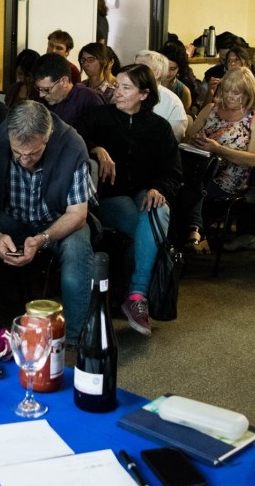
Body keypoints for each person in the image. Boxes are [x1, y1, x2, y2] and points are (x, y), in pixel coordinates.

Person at [0, 101, 94, 339]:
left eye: (33, 153)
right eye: (17, 152)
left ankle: (74, 337)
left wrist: (43, 238)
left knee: (78, 247)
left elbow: (77, 214)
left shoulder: (72, 146)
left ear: (47, 137)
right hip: (14, 219)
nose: (24, 160)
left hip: (58, 222)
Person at [78, 64, 183, 336]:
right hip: (106, 199)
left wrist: (159, 188)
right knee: (146, 225)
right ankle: (136, 297)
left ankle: (135, 295)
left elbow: (173, 172)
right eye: (117, 86)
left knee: (158, 210)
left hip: (142, 195)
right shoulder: (98, 117)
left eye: (126, 88)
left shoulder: (159, 128)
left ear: (144, 95)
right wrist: (95, 148)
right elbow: (71, 141)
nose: (117, 92)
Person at [179, 67, 255, 252]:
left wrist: (219, 149)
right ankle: (192, 235)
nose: (229, 97)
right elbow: (188, 136)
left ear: (248, 93)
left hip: (228, 179)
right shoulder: (211, 109)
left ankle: (192, 233)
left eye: (236, 93)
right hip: (199, 169)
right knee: (182, 185)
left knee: (193, 188)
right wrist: (195, 140)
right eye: (226, 91)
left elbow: (253, 159)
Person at [32, 52, 103, 131]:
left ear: (64, 81)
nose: (41, 95)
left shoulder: (89, 100)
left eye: (46, 90)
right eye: (38, 88)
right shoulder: (38, 101)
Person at [134, 50, 189, 141]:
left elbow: (174, 139)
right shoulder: (125, 92)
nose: (133, 71)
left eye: (141, 67)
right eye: (134, 66)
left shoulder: (172, 102)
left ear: (157, 73)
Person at [159, 43, 193, 112]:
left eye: (172, 69)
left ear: (179, 68)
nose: (168, 73)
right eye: (165, 67)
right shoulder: (150, 84)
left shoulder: (184, 92)